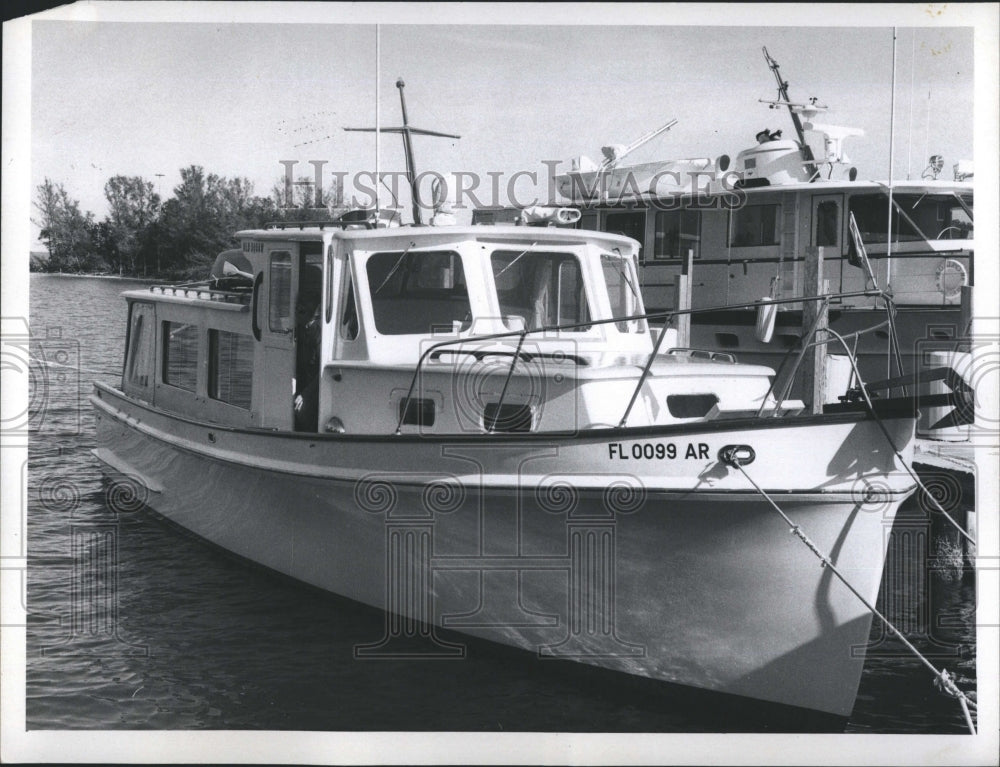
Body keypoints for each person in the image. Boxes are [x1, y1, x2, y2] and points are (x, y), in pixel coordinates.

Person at [294, 267, 322, 431]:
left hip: (314, 387)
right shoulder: (300, 329)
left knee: (302, 412)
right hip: (302, 382)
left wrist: (306, 394)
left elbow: (322, 371)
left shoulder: (318, 332)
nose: (300, 306)